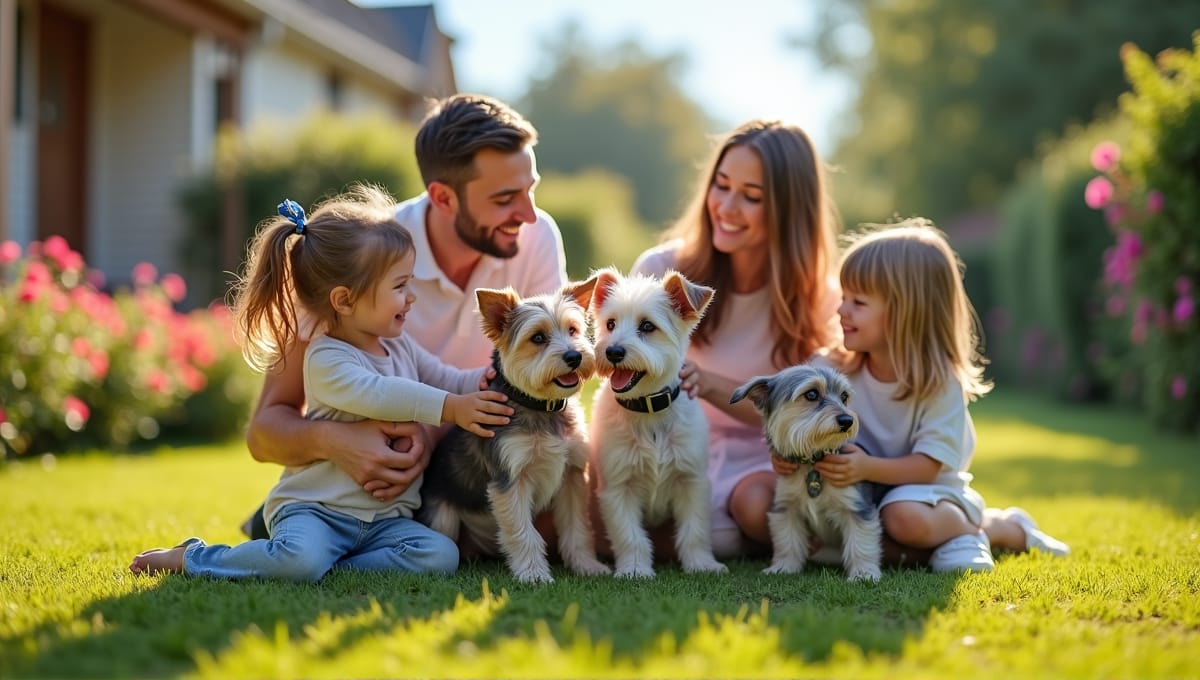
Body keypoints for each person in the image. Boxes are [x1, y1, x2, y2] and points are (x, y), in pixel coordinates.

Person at [130, 186, 515, 580]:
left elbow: (448, 377)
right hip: (317, 511)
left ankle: (327, 567)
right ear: (345, 301)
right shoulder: (326, 358)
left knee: (438, 554)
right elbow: (379, 395)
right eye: (399, 287)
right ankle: (194, 558)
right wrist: (451, 407)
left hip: (384, 520)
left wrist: (488, 378)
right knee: (299, 559)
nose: (411, 297)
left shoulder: (400, 346)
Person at [240, 93, 567, 540]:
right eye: (506, 198)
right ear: (443, 197)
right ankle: (297, 520)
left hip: (470, 468)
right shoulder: (361, 257)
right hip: (373, 487)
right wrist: (336, 443)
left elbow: (554, 375)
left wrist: (429, 437)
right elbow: (263, 434)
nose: (528, 214)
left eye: (531, 189)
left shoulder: (537, 236)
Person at [789, 219, 1070, 572]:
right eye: (844, 297)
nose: (840, 310)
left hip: (929, 494)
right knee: (836, 534)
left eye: (858, 302)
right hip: (862, 493)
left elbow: (927, 467)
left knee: (902, 518)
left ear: (907, 312)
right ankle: (941, 545)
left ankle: (988, 529)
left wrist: (865, 467)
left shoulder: (938, 383)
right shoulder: (831, 369)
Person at [630, 119, 843, 558]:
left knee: (748, 518)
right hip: (667, 449)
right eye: (721, 186)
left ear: (790, 210)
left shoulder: (820, 298)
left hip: (765, 457)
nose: (726, 207)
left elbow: (808, 412)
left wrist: (707, 383)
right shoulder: (662, 268)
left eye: (751, 197)